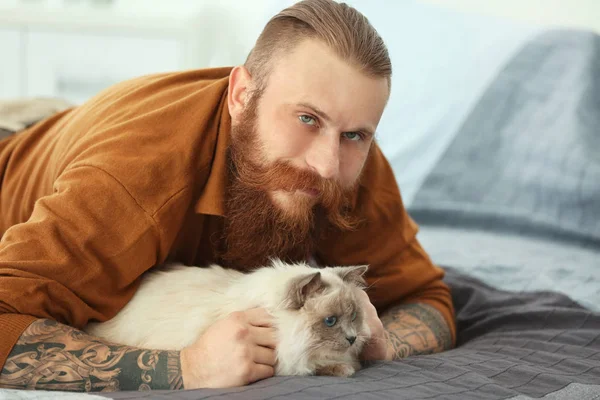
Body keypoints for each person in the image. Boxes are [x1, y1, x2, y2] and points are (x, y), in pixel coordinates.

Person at [0, 0, 455, 392]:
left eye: (355, 134)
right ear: (241, 94)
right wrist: (184, 368)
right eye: (307, 119)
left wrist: (385, 344)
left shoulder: (346, 166)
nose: (326, 165)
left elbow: (426, 296)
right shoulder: (133, 181)